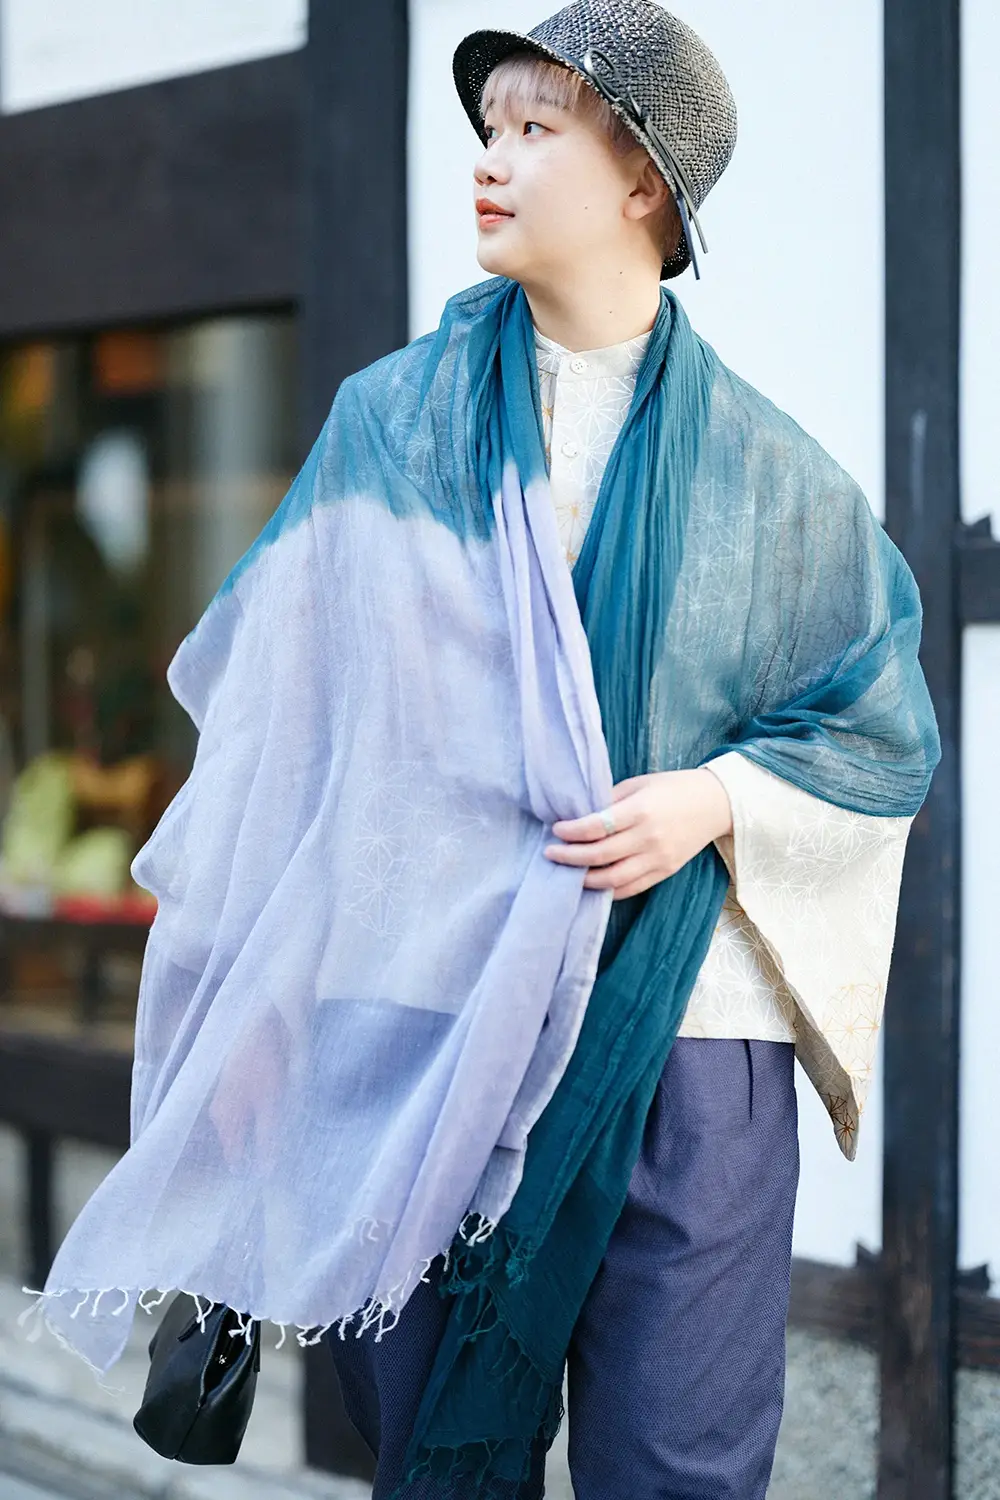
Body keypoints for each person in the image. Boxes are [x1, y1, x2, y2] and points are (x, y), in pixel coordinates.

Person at [22, 4, 939, 1499]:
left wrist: (713, 800)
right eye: (488, 127)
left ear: (643, 180)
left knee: (680, 1461)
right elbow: (290, 737)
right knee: (435, 1442)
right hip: (424, 1019)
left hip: (685, 1034)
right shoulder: (390, 428)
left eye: (536, 128)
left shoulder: (772, 481)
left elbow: (878, 716)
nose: (489, 159)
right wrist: (257, 1018)